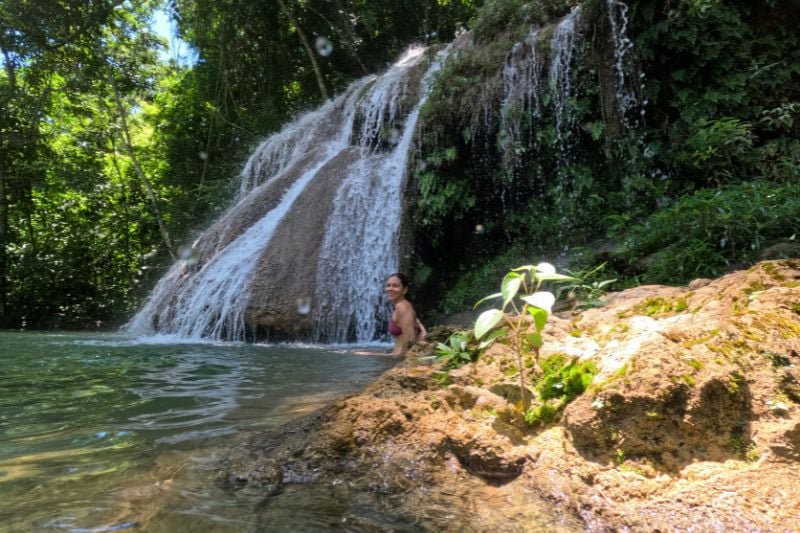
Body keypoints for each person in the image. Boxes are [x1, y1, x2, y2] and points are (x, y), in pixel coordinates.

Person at [385, 272, 426, 356]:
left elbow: (410, 341)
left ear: (405, 290)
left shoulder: (402, 308)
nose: (390, 289)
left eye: (395, 286)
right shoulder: (401, 306)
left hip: (401, 359)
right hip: (396, 356)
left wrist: (403, 364)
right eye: (388, 285)